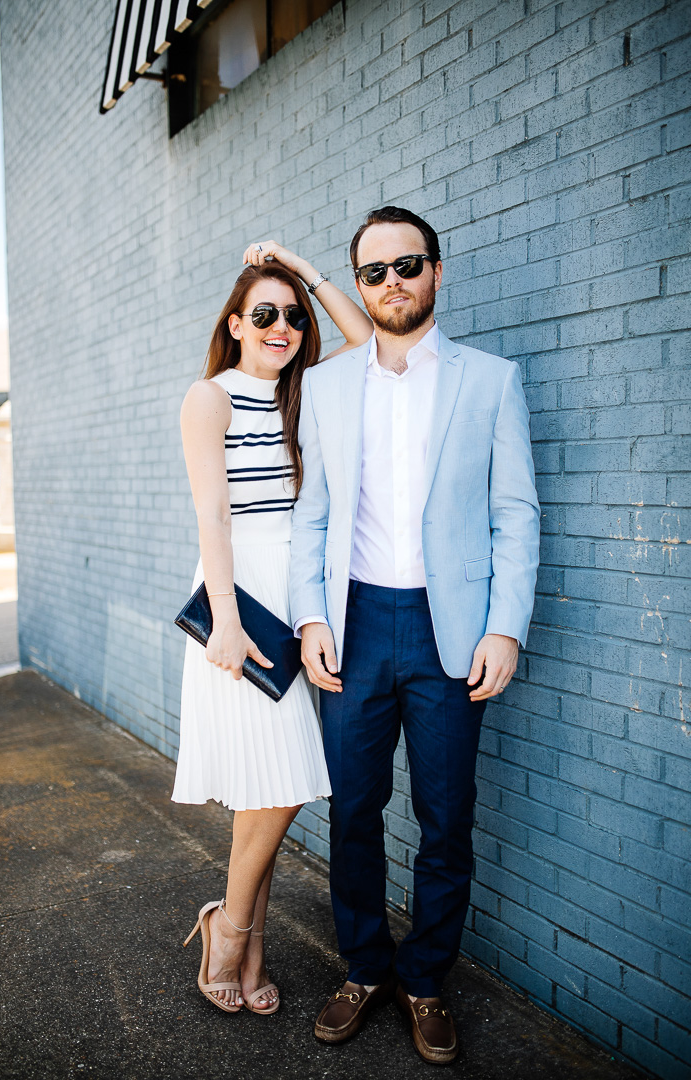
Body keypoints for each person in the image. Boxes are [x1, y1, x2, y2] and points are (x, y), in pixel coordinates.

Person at [290, 206, 540, 1063]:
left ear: (437, 271)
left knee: (446, 819)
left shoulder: (491, 381)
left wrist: (505, 628)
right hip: (354, 626)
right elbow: (310, 515)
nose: (390, 283)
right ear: (357, 284)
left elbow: (515, 513)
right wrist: (311, 616)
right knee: (355, 813)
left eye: (407, 265)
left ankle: (427, 979)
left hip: (452, 632)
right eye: (373, 273)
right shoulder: (327, 384)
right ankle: (363, 968)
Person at [173, 246, 372, 1015]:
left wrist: (298, 267)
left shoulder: (304, 395)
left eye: (291, 315)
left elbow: (366, 344)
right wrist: (224, 620)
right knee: (284, 780)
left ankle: (237, 930)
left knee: (270, 785)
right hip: (240, 602)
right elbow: (212, 516)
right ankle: (232, 928)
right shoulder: (210, 397)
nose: (281, 326)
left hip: (297, 596)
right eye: (264, 313)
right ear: (235, 323)